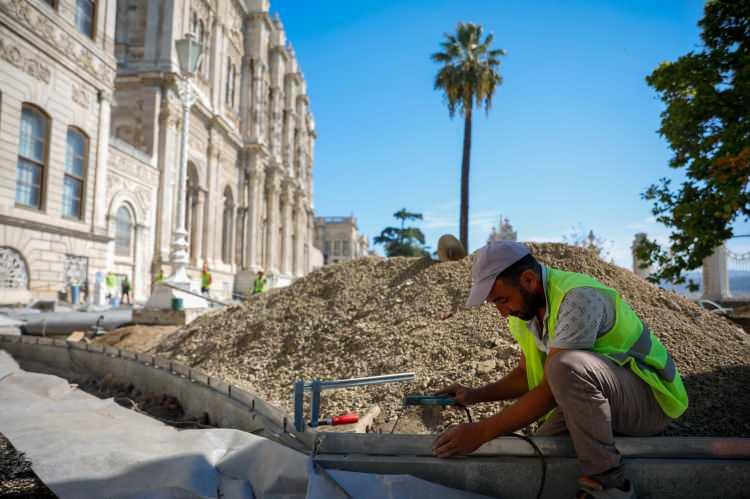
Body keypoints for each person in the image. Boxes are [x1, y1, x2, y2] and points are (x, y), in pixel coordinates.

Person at [434, 241, 687, 499]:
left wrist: (481, 432)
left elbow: (555, 385)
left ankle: (609, 484)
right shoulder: (525, 313)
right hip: (603, 398)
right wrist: (474, 395)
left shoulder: (576, 297)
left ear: (529, 280)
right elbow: (525, 375)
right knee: (542, 449)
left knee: (565, 366)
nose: (501, 312)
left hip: (650, 399)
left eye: (502, 300)